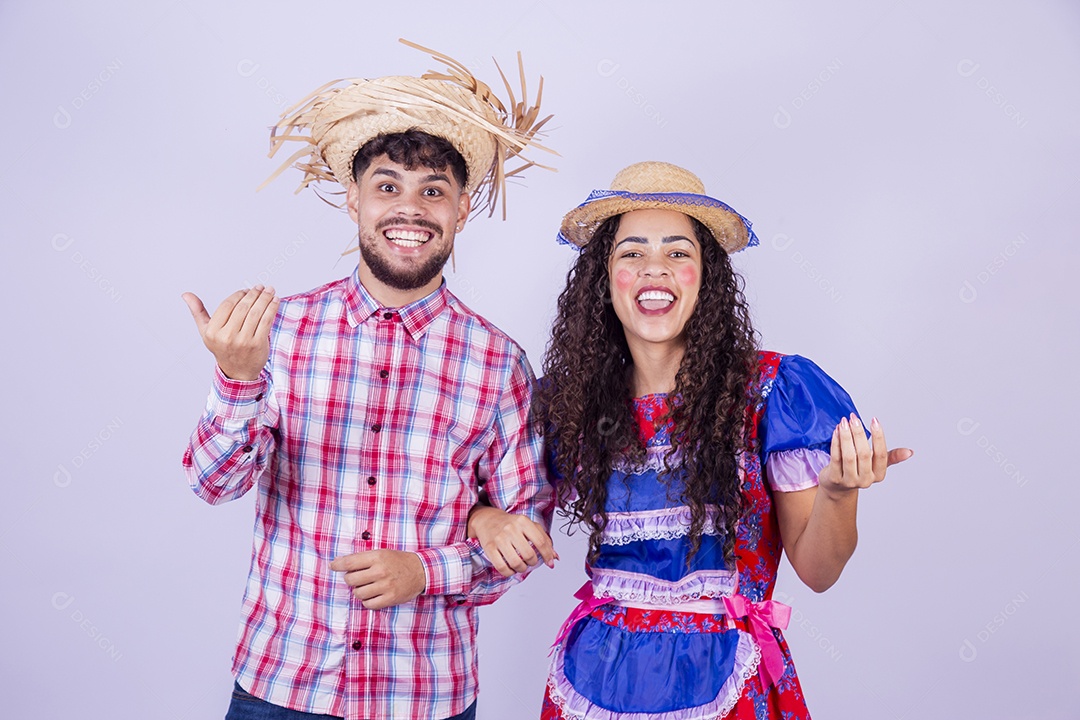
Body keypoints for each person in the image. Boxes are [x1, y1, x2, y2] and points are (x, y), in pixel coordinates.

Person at [181, 42, 556, 720]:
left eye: (432, 192)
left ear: (462, 209)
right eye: (387, 186)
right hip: (281, 684)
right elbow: (212, 485)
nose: (408, 210)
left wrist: (427, 571)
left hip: (424, 694)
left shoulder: (499, 364)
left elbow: (527, 534)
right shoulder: (282, 331)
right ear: (352, 197)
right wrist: (238, 381)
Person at [469, 161, 913, 719]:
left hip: (731, 681)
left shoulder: (772, 393)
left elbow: (819, 573)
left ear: (707, 276)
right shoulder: (565, 404)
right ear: (603, 279)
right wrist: (483, 519)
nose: (656, 269)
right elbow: (483, 503)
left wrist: (840, 492)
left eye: (678, 252)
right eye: (632, 253)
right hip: (594, 679)